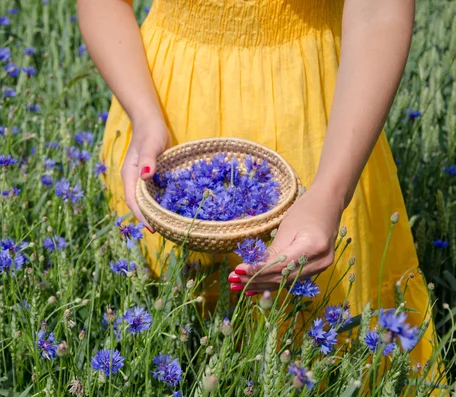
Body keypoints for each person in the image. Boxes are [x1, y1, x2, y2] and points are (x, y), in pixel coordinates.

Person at [77, 0, 435, 363]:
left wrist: (330, 191)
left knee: (320, 342)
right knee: (168, 329)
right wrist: (143, 114)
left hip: (319, 130)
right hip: (164, 117)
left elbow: (379, 12)